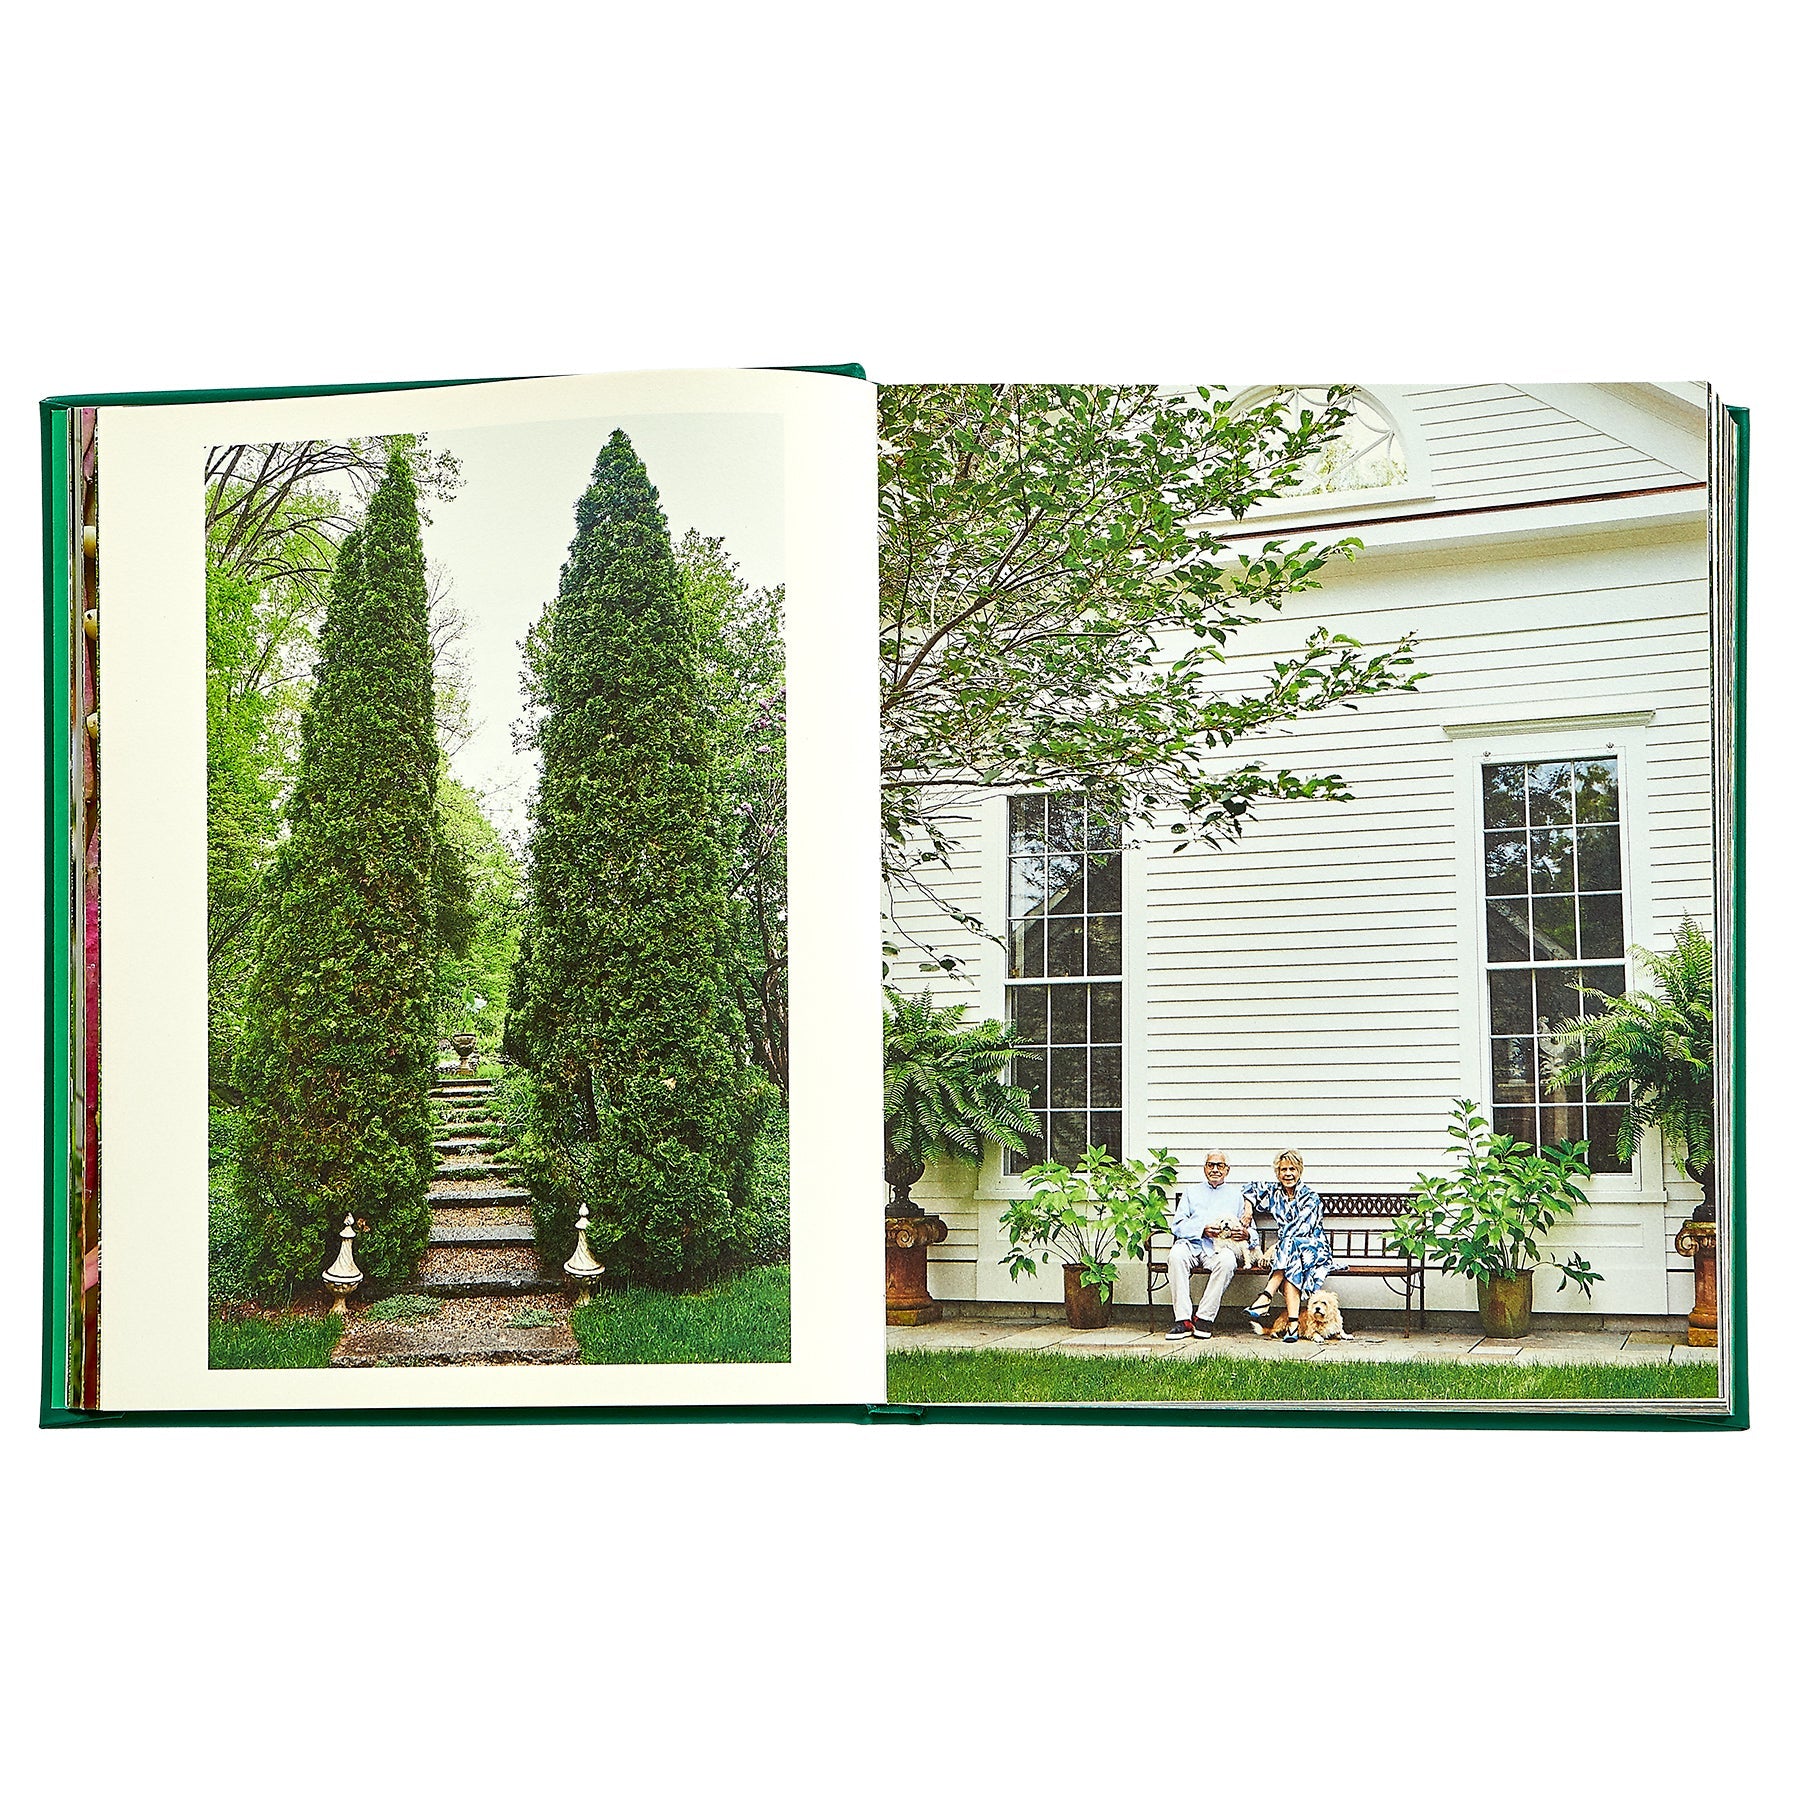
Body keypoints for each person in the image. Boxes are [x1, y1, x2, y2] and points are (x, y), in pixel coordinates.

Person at [1163, 1149, 1258, 1341]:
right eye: (1210, 1165)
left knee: (1227, 1261)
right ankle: (1183, 1321)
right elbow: (1177, 1226)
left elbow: (1252, 1231)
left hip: (1218, 1249)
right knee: (1175, 1255)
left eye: (1219, 1166)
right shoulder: (1191, 1192)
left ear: (1227, 1170)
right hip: (1192, 1243)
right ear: (1205, 1168)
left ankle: (1204, 1318)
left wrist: (1247, 1234)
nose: (1215, 1169)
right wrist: (1202, 1229)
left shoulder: (1236, 1196)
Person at [1242, 1150, 1333, 1344]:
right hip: (1292, 1254)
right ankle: (1292, 1324)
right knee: (1293, 1263)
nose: (1288, 1173)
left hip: (1314, 1248)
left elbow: (1301, 1230)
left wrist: (1273, 1248)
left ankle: (1266, 1296)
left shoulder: (1310, 1197)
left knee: (1291, 1246)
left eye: (1292, 1169)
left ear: (1300, 1171)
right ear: (1277, 1173)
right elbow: (1249, 1188)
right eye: (1283, 1169)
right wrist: (1248, 1210)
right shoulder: (1275, 1192)